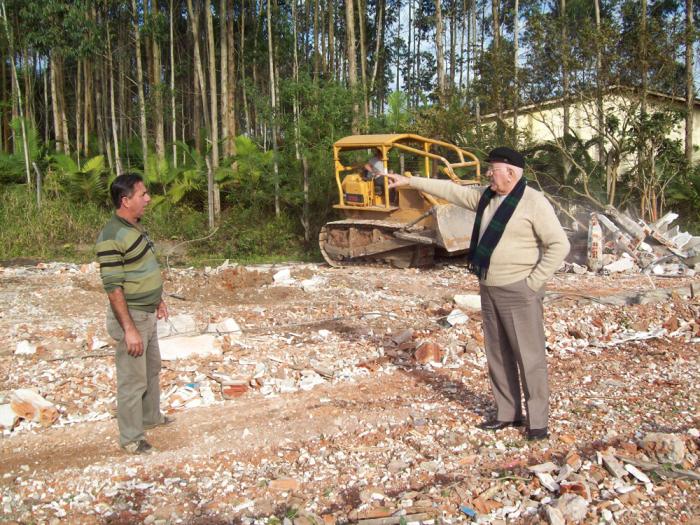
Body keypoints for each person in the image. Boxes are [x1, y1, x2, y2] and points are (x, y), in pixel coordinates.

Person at [386, 147, 570, 440]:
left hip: (520, 290)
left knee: (529, 355)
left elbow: (559, 245)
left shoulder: (534, 202)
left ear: (510, 173)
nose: (488, 174)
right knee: (497, 354)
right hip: (489, 286)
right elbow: (450, 190)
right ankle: (507, 413)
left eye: (492, 170)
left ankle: (537, 422)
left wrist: (534, 282)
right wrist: (410, 182)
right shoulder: (487, 198)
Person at [95, 173, 171, 454]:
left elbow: (144, 267)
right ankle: (131, 438)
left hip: (147, 311)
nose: (148, 199)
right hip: (132, 317)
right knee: (132, 378)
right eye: (143, 194)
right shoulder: (111, 236)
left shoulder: (135, 227)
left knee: (151, 369)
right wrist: (129, 329)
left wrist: (158, 298)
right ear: (126, 200)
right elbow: (113, 287)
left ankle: (151, 416)